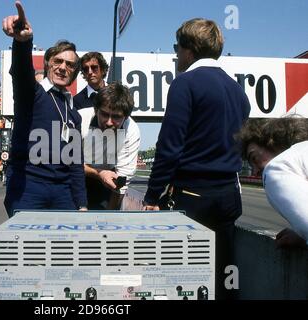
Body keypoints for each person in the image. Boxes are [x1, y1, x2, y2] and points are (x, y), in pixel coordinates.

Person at [142, 18, 251, 300]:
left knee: (183, 281)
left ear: (189, 48)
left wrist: (152, 196)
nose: (176, 53)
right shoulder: (238, 91)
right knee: (225, 274)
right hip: (228, 196)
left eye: (177, 47)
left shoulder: (185, 84)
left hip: (193, 196)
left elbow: (169, 146)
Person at [2, 1, 87, 217]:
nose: (63, 67)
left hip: (63, 192)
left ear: (75, 73)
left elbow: (76, 163)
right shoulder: (33, 94)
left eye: (70, 65)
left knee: (66, 250)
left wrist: (82, 203)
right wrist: (23, 43)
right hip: (28, 187)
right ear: (48, 63)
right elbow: (21, 73)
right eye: (58, 61)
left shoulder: (74, 114)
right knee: (26, 250)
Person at [237, 117, 308, 248]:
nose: (255, 171)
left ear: (273, 142)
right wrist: (302, 235)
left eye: (254, 158)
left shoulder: (276, 167)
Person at [79, 82, 140, 210]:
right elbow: (67, 163)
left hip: (108, 181)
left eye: (116, 117)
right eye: (105, 114)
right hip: (77, 175)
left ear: (126, 117)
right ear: (96, 110)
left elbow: (122, 181)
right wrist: (99, 173)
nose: (109, 122)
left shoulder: (132, 130)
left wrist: (108, 218)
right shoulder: (80, 118)